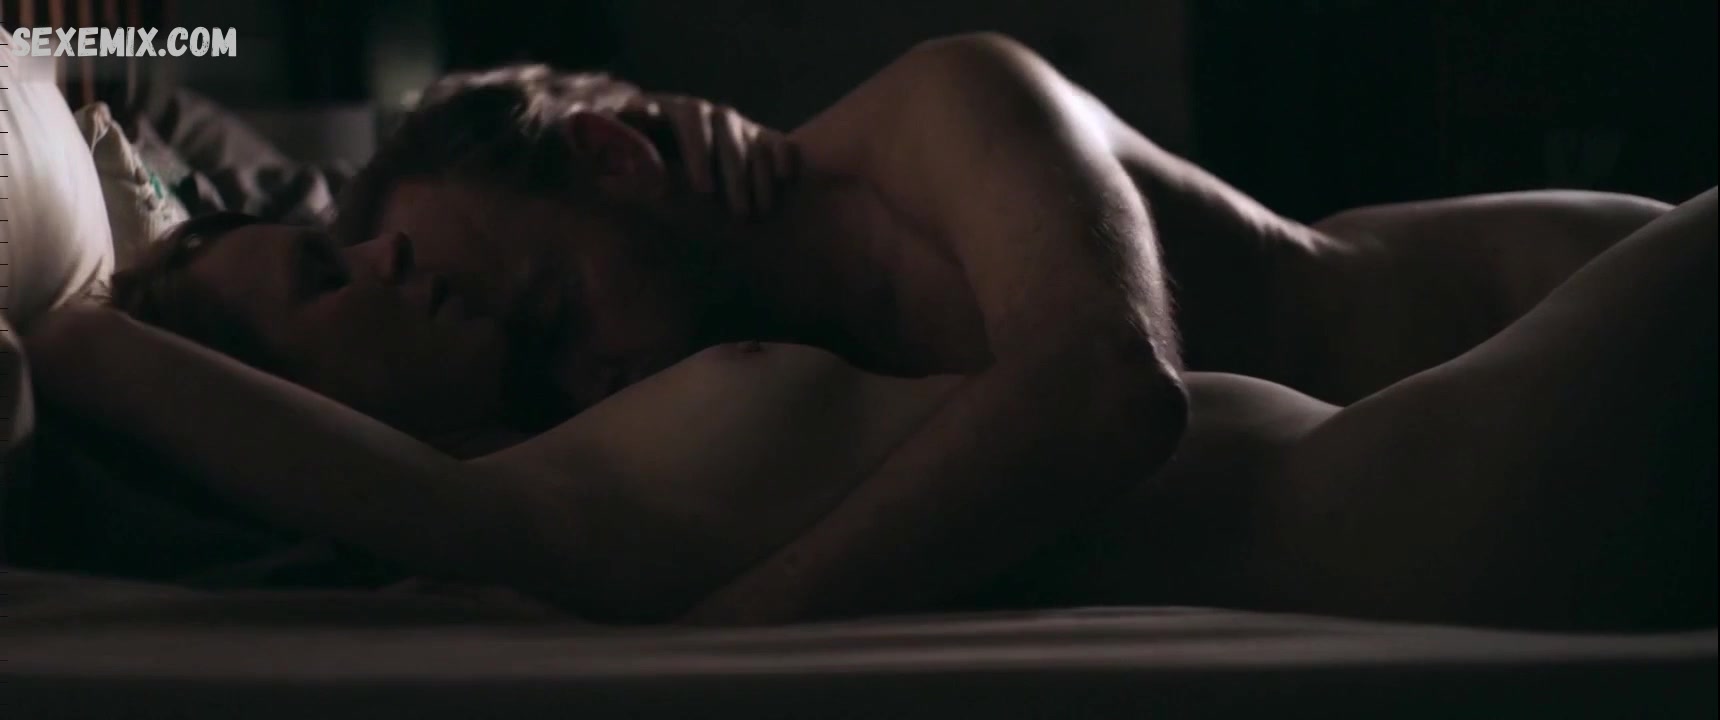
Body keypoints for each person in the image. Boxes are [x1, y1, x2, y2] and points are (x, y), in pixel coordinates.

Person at [25, 34, 1714, 629]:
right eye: (540, 370)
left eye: (543, 310)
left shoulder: (948, 106)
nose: (586, 377)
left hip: (1536, 299)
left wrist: (736, 640)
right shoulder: (643, 431)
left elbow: (1108, 392)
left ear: (614, 162)